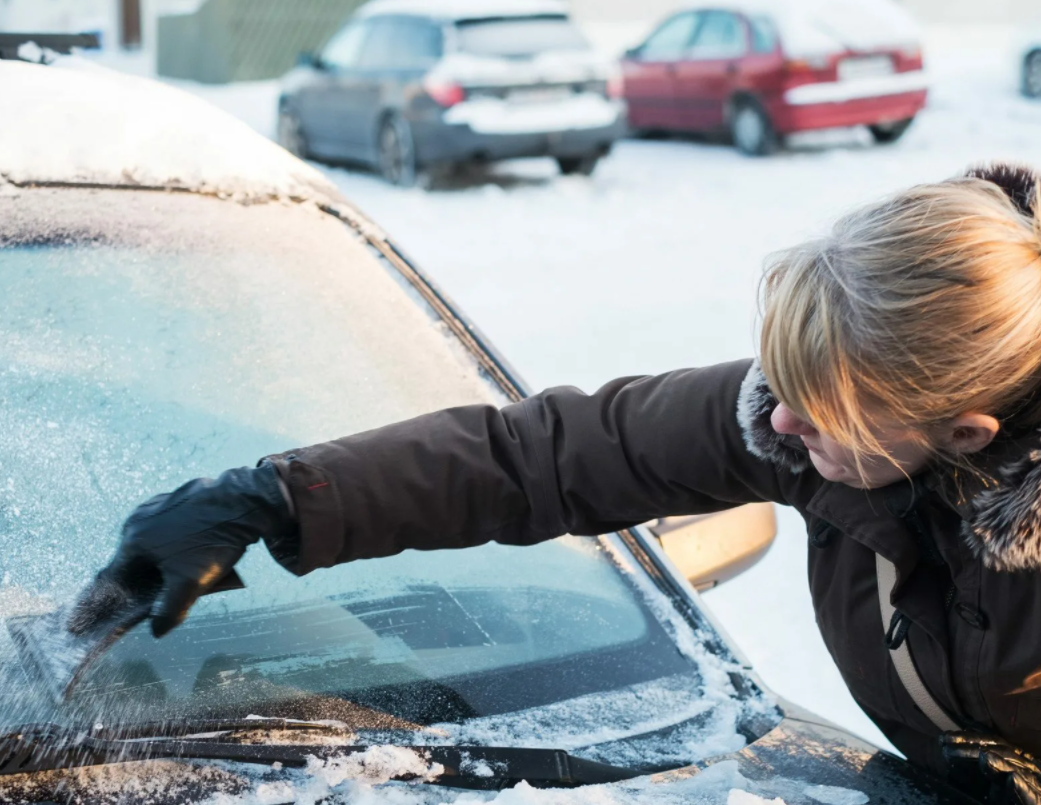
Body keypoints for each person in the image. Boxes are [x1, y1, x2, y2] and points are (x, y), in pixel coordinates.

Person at [73, 163, 1041, 803]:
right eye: (780, 377)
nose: (780, 422)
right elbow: (543, 455)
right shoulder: (811, 422)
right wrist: (269, 496)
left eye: (820, 405)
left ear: (964, 433)